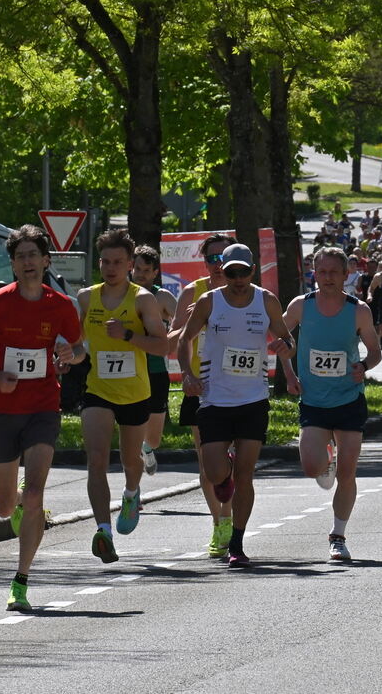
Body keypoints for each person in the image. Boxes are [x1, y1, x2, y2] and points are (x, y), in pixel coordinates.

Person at [0, 224, 83, 611]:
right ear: (12, 264)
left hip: (43, 405)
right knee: (4, 507)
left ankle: (21, 580)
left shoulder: (61, 305)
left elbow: (79, 349)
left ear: (46, 261)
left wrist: (70, 355)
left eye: (33, 255)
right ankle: (17, 506)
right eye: (20, 256)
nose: (28, 262)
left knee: (35, 494)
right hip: (0, 408)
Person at [176, 244, 298, 568]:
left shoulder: (266, 301)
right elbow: (184, 340)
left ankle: (237, 543)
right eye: (232, 273)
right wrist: (187, 374)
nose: (238, 279)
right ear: (223, 271)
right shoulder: (209, 301)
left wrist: (284, 348)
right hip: (214, 399)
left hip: (253, 399)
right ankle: (224, 469)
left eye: (244, 272)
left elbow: (288, 341)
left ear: (253, 271)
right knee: (214, 473)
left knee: (246, 475)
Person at [277, 248, 381, 561]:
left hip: (348, 398)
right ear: (314, 274)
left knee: (347, 474)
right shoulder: (301, 306)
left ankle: (338, 536)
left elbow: (375, 352)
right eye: (322, 272)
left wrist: (364, 366)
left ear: (346, 274)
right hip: (313, 399)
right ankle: (327, 458)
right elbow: (280, 341)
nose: (328, 278)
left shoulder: (358, 310)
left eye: (334, 272)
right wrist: (289, 375)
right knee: (312, 468)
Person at [76, 230, 169, 563]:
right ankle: (103, 530)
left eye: (117, 262)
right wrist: (68, 355)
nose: (110, 268)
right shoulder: (86, 298)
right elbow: (77, 344)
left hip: (135, 392)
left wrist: (128, 334)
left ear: (130, 264)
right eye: (105, 262)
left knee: (131, 461)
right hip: (98, 390)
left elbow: (162, 346)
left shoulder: (142, 299)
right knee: (97, 459)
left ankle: (131, 494)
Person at [169, 233, 235, 557]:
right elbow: (172, 340)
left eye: (224, 257)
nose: (218, 264)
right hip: (201, 388)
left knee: (234, 460)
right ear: (205, 262)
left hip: (237, 388)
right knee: (208, 463)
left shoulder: (245, 293)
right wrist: (190, 322)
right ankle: (219, 523)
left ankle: (231, 517)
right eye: (212, 258)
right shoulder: (191, 292)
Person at [131, 244, 178, 476]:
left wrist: (168, 337)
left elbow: (183, 322)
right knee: (130, 427)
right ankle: (132, 484)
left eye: (146, 270)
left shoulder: (163, 297)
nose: (140, 275)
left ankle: (147, 449)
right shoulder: (122, 295)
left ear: (155, 272)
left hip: (156, 369)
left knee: (155, 438)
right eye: (137, 269)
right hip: (128, 369)